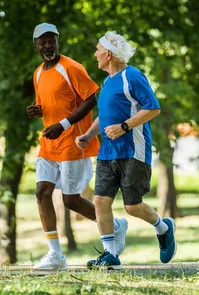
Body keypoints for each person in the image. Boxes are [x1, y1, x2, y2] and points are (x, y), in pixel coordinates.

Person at [27, 23, 128, 270]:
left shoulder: (71, 67)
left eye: (52, 40)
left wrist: (63, 124)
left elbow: (91, 99)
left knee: (71, 200)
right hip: (49, 144)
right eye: (43, 41)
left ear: (57, 42)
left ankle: (114, 226)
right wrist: (37, 110)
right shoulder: (38, 73)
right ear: (36, 45)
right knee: (41, 192)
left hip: (73, 142)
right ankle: (55, 256)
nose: (48, 45)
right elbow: (49, 103)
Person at [75, 31, 177, 270]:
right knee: (100, 200)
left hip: (133, 151)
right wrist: (89, 134)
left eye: (98, 49)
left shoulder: (132, 76)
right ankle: (110, 255)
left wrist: (124, 127)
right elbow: (105, 116)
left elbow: (153, 108)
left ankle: (163, 228)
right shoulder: (108, 82)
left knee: (132, 206)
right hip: (107, 153)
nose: (95, 54)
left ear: (109, 54)